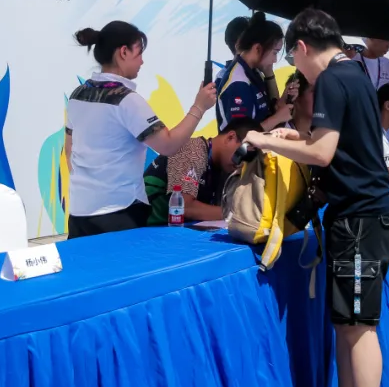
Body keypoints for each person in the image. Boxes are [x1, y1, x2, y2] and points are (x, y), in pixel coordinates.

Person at [244, 8, 389, 387]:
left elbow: (322, 154)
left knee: (359, 327)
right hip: (363, 217)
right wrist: (296, 136)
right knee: (345, 322)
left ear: (302, 47)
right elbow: (336, 141)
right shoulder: (355, 73)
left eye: (292, 57)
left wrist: (264, 140)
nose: (296, 68)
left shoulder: (331, 78)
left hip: (360, 219)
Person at [65, 22, 216, 237]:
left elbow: (69, 150)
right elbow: (168, 145)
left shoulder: (77, 95)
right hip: (119, 213)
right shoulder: (127, 100)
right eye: (139, 53)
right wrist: (199, 107)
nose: (142, 61)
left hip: (79, 213)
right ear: (123, 52)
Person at [144, 118, 261, 224]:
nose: (243, 163)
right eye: (244, 154)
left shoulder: (224, 167)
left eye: (250, 159)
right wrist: (237, 213)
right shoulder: (192, 150)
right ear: (231, 137)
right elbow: (184, 207)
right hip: (144, 228)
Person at [215, 12, 292, 131]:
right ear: (257, 48)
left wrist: (281, 103)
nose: (275, 60)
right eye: (275, 52)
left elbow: (266, 112)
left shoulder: (253, 72)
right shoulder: (238, 82)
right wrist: (277, 118)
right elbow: (242, 137)